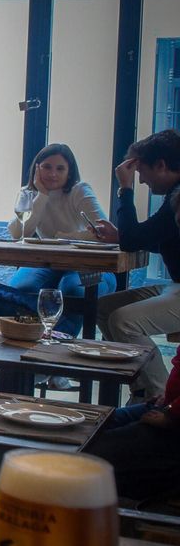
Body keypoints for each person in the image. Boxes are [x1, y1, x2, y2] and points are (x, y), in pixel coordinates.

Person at [90, 129, 180, 400]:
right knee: (105, 308)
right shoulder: (174, 194)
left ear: (161, 165)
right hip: (174, 287)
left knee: (124, 320)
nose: (141, 181)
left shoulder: (178, 195)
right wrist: (120, 235)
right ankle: (141, 388)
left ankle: (159, 396)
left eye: (141, 172)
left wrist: (124, 189)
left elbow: (132, 241)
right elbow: (159, 238)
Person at [5, 143, 110, 335]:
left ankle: (58, 346)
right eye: (46, 167)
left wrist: (62, 238)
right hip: (47, 260)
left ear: (69, 172)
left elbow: (103, 231)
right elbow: (17, 233)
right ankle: (26, 340)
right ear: (37, 168)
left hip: (86, 262)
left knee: (74, 291)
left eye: (60, 168)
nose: (52, 174)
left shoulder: (80, 190)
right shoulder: (29, 193)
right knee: (20, 289)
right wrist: (42, 196)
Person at [86, 354, 180, 501]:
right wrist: (171, 396)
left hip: (174, 425)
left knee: (89, 455)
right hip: (167, 407)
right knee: (88, 427)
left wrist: (172, 415)